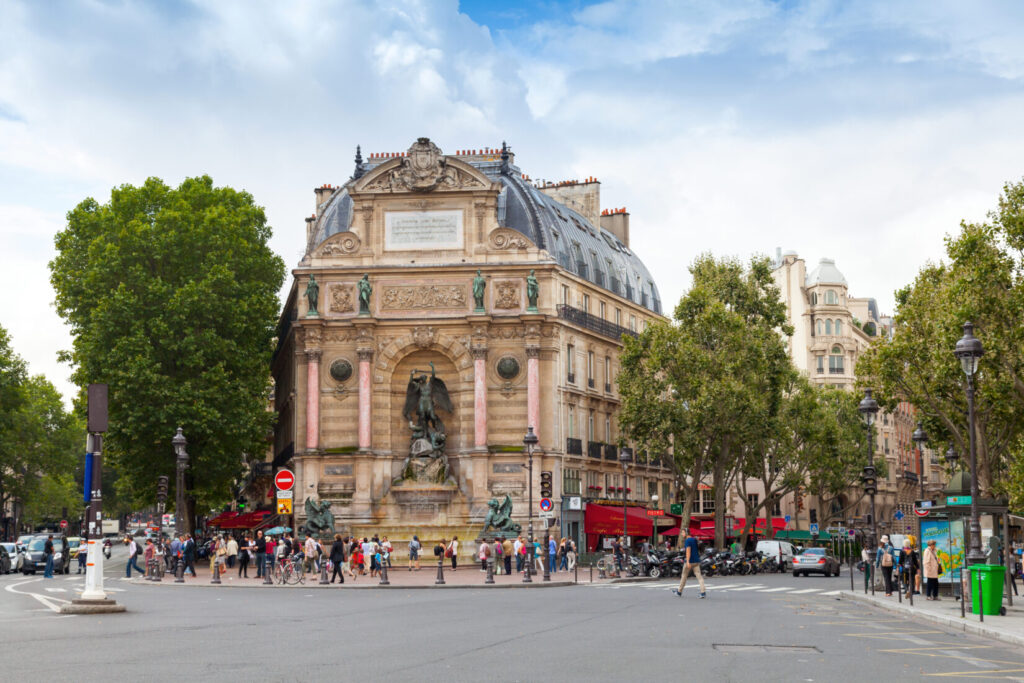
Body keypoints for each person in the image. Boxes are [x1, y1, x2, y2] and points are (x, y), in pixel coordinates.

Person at [672, 528, 706, 599]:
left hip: (690, 561)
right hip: (696, 561)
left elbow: (688, 551)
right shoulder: (694, 539)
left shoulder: (687, 540)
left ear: (686, 533)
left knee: (684, 576)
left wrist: (687, 561)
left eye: (683, 532)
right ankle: (703, 593)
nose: (682, 534)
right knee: (699, 577)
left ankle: (679, 592)